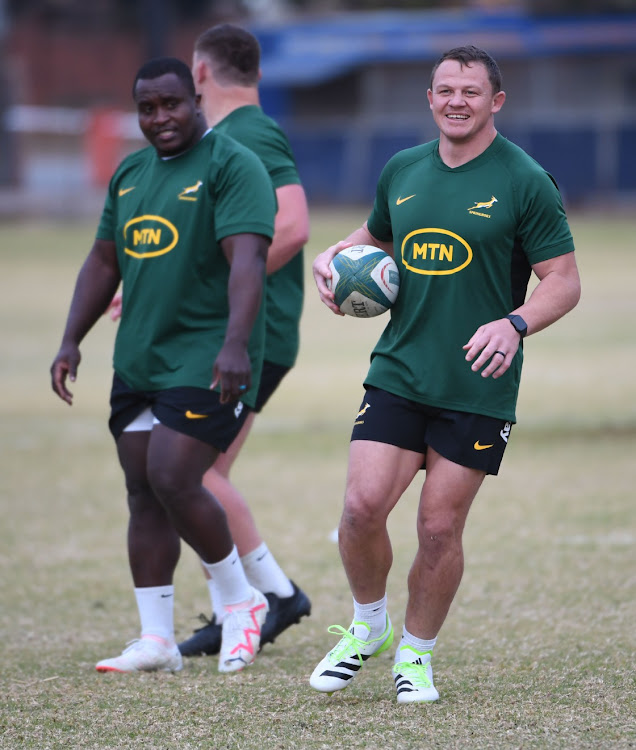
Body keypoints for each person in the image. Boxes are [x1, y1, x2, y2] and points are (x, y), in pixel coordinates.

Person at [308, 45, 581, 703]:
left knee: (438, 527)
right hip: (399, 369)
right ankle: (367, 626)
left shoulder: (524, 179)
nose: (456, 101)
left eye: (471, 91)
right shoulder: (402, 169)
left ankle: (416, 655)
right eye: (445, 90)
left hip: (478, 382)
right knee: (360, 507)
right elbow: (376, 235)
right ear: (430, 98)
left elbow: (564, 282)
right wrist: (336, 255)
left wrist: (513, 324)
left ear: (496, 102)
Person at [50, 57, 278, 674]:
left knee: (175, 474)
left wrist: (236, 344)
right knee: (142, 492)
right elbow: (103, 263)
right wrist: (72, 339)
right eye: (147, 108)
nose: (159, 118)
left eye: (171, 104)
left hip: (208, 354)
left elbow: (249, 263)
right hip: (141, 356)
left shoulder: (233, 165)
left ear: (195, 99)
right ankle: (157, 640)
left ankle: (241, 603)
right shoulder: (129, 173)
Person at [106, 24, 311, 658]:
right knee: (186, 475)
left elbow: (295, 224)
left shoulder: (248, 135)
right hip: (208, 335)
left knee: (191, 473)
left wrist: (201, 292)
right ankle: (251, 599)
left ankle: (263, 596)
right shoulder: (194, 147)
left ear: (197, 76)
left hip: (243, 334)